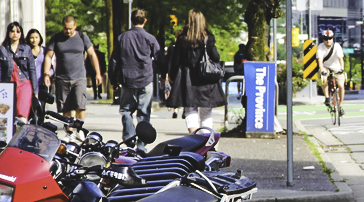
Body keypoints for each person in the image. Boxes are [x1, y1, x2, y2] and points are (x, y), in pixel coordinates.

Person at [166, 9, 227, 133]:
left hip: (187, 77)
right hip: (206, 78)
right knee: (206, 110)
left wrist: (171, 77)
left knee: (190, 109)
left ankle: (195, 138)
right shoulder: (208, 37)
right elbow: (216, 57)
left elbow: (176, 60)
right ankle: (206, 140)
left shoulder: (183, 38)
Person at [43, 15, 103, 140]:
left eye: (70, 28)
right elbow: (48, 56)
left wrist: (98, 73)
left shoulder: (82, 37)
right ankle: (69, 132)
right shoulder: (56, 38)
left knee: (80, 104)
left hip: (79, 77)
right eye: (66, 28)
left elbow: (92, 54)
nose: (68, 31)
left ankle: (79, 129)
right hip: (62, 78)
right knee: (66, 107)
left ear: (75, 26)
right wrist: (46, 73)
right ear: (63, 26)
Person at [112, 9, 160, 152]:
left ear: (131, 20)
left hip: (128, 80)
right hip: (145, 79)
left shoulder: (122, 38)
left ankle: (129, 138)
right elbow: (159, 57)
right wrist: (164, 74)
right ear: (145, 21)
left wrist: (114, 80)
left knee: (126, 111)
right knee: (144, 113)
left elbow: (115, 60)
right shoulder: (150, 38)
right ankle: (142, 144)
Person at [0, 21, 37, 120]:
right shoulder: (2, 49)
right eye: (12, 31)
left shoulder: (26, 49)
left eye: (18, 31)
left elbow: (32, 70)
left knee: (21, 114)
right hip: (7, 85)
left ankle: (20, 133)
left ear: (21, 34)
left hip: (24, 84)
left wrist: (35, 91)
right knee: (5, 113)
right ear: (8, 33)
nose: (15, 34)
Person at [317, 29, 345, 115]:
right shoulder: (320, 47)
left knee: (341, 85)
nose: (328, 40)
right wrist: (322, 70)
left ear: (333, 38)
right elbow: (320, 60)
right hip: (325, 67)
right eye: (326, 39)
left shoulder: (337, 46)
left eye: (330, 38)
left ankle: (340, 106)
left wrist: (342, 69)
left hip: (336, 67)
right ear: (323, 39)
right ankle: (327, 98)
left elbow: (341, 59)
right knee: (324, 79)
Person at [26, 28, 50, 98]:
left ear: (40, 38)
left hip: (41, 83)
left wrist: (48, 74)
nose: (34, 40)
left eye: (36, 37)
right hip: (28, 83)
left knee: (41, 106)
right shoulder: (25, 51)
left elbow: (51, 68)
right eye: (32, 38)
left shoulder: (45, 51)